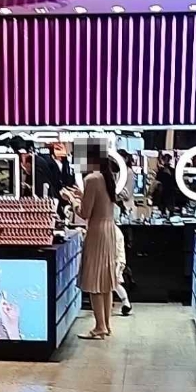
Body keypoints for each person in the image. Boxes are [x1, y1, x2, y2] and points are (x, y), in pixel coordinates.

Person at [73, 142, 119, 339]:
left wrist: (72, 200)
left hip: (97, 232)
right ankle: (106, 325)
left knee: (94, 281)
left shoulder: (91, 179)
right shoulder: (107, 177)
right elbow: (100, 202)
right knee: (106, 281)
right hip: (109, 230)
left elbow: (85, 213)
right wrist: (82, 196)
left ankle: (99, 327)